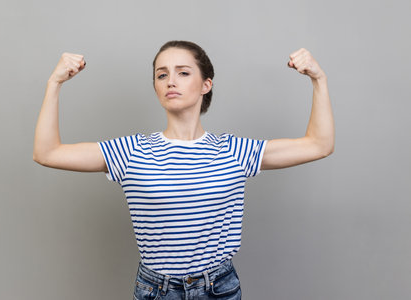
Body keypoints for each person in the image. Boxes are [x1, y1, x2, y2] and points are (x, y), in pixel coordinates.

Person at [33, 40, 334, 299]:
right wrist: (54, 83)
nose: (170, 81)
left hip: (219, 288)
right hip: (156, 290)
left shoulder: (234, 151)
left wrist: (318, 79)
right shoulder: (131, 151)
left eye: (183, 72)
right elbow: (47, 153)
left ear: (206, 85)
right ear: (155, 87)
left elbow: (319, 144)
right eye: (161, 75)